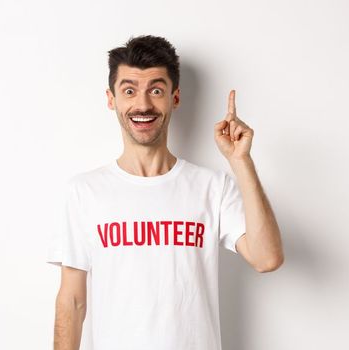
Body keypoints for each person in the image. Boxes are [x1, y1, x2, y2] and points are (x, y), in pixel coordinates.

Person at [47, 34, 284, 350]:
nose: (142, 104)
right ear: (111, 99)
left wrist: (240, 161)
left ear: (175, 98)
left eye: (155, 90)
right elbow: (72, 301)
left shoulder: (212, 187)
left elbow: (267, 258)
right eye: (129, 90)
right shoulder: (85, 191)